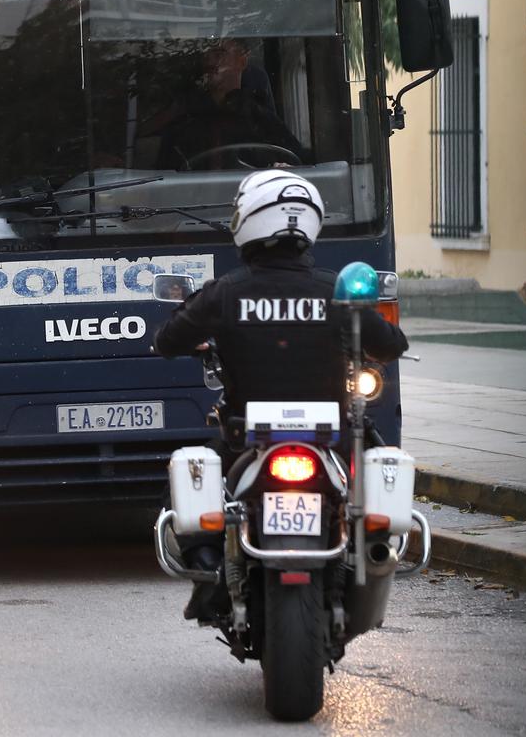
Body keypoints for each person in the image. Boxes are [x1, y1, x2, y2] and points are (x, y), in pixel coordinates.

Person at [154, 169, 408, 618]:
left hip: (246, 438)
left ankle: (209, 565)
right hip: (327, 437)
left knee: (199, 479)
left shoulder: (226, 292)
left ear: (247, 219)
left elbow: (168, 340)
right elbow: (391, 344)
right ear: (309, 223)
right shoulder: (335, 290)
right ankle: (373, 550)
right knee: (370, 457)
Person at [157, 40, 307, 170]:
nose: (210, 61)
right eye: (205, 55)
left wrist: (284, 168)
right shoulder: (186, 121)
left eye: (219, 54)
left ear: (241, 62)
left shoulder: (260, 119)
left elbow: (298, 164)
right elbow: (164, 180)